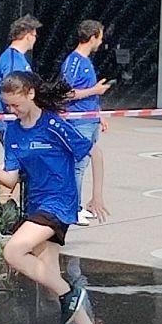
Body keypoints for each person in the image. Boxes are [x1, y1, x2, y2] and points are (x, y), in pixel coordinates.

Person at [0, 70, 106, 324]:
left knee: (13, 252)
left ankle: (70, 293)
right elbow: (11, 180)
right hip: (36, 206)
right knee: (49, 277)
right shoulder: (13, 131)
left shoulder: (53, 124)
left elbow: (94, 152)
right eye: (8, 105)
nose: (12, 110)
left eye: (16, 104)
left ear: (31, 94)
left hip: (59, 204)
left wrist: (96, 195)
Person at [60, 19, 112, 225]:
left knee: (84, 164)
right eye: (100, 37)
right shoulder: (74, 62)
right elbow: (67, 93)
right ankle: (73, 208)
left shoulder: (86, 61)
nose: (101, 41)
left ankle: (79, 205)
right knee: (78, 165)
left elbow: (88, 94)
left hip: (89, 120)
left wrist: (99, 115)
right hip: (78, 121)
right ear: (92, 37)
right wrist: (95, 90)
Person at [0, 15, 42, 226]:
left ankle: (5, 214)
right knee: (15, 169)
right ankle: (3, 213)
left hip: (16, 123)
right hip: (14, 124)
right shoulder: (13, 60)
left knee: (18, 169)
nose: (35, 39)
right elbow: (12, 94)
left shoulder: (15, 58)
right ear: (28, 35)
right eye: (35, 35)